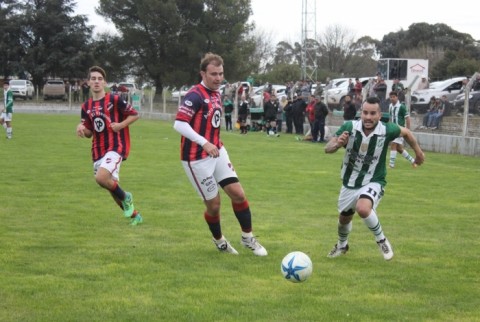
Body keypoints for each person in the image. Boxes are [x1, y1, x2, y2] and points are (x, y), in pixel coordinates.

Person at [173, 52, 267, 256]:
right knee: (214, 206)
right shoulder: (195, 95)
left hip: (217, 151)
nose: (218, 78)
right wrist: (204, 142)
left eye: (221, 74)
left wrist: (211, 143)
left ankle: (248, 237)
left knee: (238, 194)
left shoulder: (216, 92)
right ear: (203, 73)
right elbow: (179, 123)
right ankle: (219, 240)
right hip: (196, 159)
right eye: (213, 74)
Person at [324, 96, 425, 261]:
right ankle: (342, 245)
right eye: (365, 113)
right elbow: (327, 149)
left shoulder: (387, 130)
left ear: (379, 115)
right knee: (344, 219)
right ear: (361, 113)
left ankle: (382, 240)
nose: (368, 117)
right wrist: (337, 144)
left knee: (363, 208)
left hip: (374, 180)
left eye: (372, 113)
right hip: (350, 183)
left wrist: (418, 153)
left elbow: (406, 133)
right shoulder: (349, 127)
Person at [75, 66, 142, 225]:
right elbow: (90, 132)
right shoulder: (86, 106)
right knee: (111, 189)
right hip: (98, 150)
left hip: (116, 146)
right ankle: (135, 216)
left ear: (104, 82)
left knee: (101, 178)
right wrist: (82, 129)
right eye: (93, 79)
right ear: (88, 82)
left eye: (99, 79)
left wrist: (120, 125)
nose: (96, 82)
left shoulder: (114, 99)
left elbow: (135, 114)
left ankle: (127, 197)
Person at [388, 91, 416, 168]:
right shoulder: (390, 106)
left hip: (400, 130)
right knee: (399, 149)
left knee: (393, 145)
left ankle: (391, 165)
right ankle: (413, 161)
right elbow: (390, 118)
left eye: (394, 97)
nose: (392, 98)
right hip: (393, 129)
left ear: (397, 97)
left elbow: (407, 118)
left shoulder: (401, 107)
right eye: (391, 97)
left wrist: (407, 130)